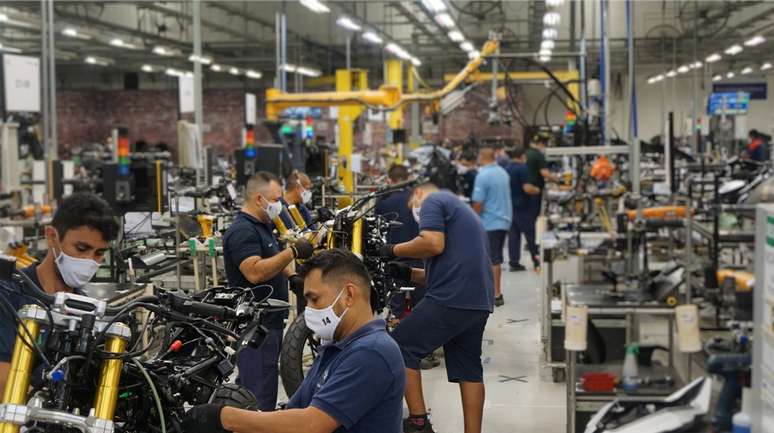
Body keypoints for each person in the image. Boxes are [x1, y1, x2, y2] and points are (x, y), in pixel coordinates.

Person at [182, 249, 406, 433]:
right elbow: (294, 409)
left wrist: (224, 416)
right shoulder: (335, 347)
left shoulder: (373, 352)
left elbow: (312, 424)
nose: (308, 310)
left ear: (348, 295)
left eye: (314, 299)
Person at [381, 182, 494, 433]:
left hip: (452, 298)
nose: (415, 212)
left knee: (400, 347)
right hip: (476, 301)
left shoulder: (434, 200)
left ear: (418, 194)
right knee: (469, 369)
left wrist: (391, 250)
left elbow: (432, 243)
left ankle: (419, 423)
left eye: (412, 206)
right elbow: (447, 272)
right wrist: (406, 272)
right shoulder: (464, 216)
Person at [0, 193, 119, 396]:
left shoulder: (87, 309)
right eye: (81, 248)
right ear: (52, 237)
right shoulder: (9, 293)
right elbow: (3, 383)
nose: (90, 261)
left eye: (99, 253)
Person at [222, 171, 313, 411]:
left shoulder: (263, 225)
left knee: (261, 386)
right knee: (258, 394)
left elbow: (272, 255)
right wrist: (292, 252)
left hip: (270, 322)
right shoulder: (243, 231)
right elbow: (254, 271)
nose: (280, 205)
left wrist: (292, 275)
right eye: (276, 200)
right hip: (255, 326)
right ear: (259, 199)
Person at [472, 146, 512, 307]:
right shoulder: (503, 172)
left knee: (492, 259)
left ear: (482, 157)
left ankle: (496, 294)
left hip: (489, 222)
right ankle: (493, 291)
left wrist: (472, 220)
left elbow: (478, 203)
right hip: (504, 220)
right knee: (495, 257)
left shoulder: (483, 175)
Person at [505, 147, 541, 272]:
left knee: (513, 236)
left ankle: (514, 263)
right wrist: (537, 190)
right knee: (531, 235)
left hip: (510, 207)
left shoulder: (507, 169)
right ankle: (536, 260)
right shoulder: (522, 168)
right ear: (521, 156)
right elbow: (527, 188)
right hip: (524, 208)